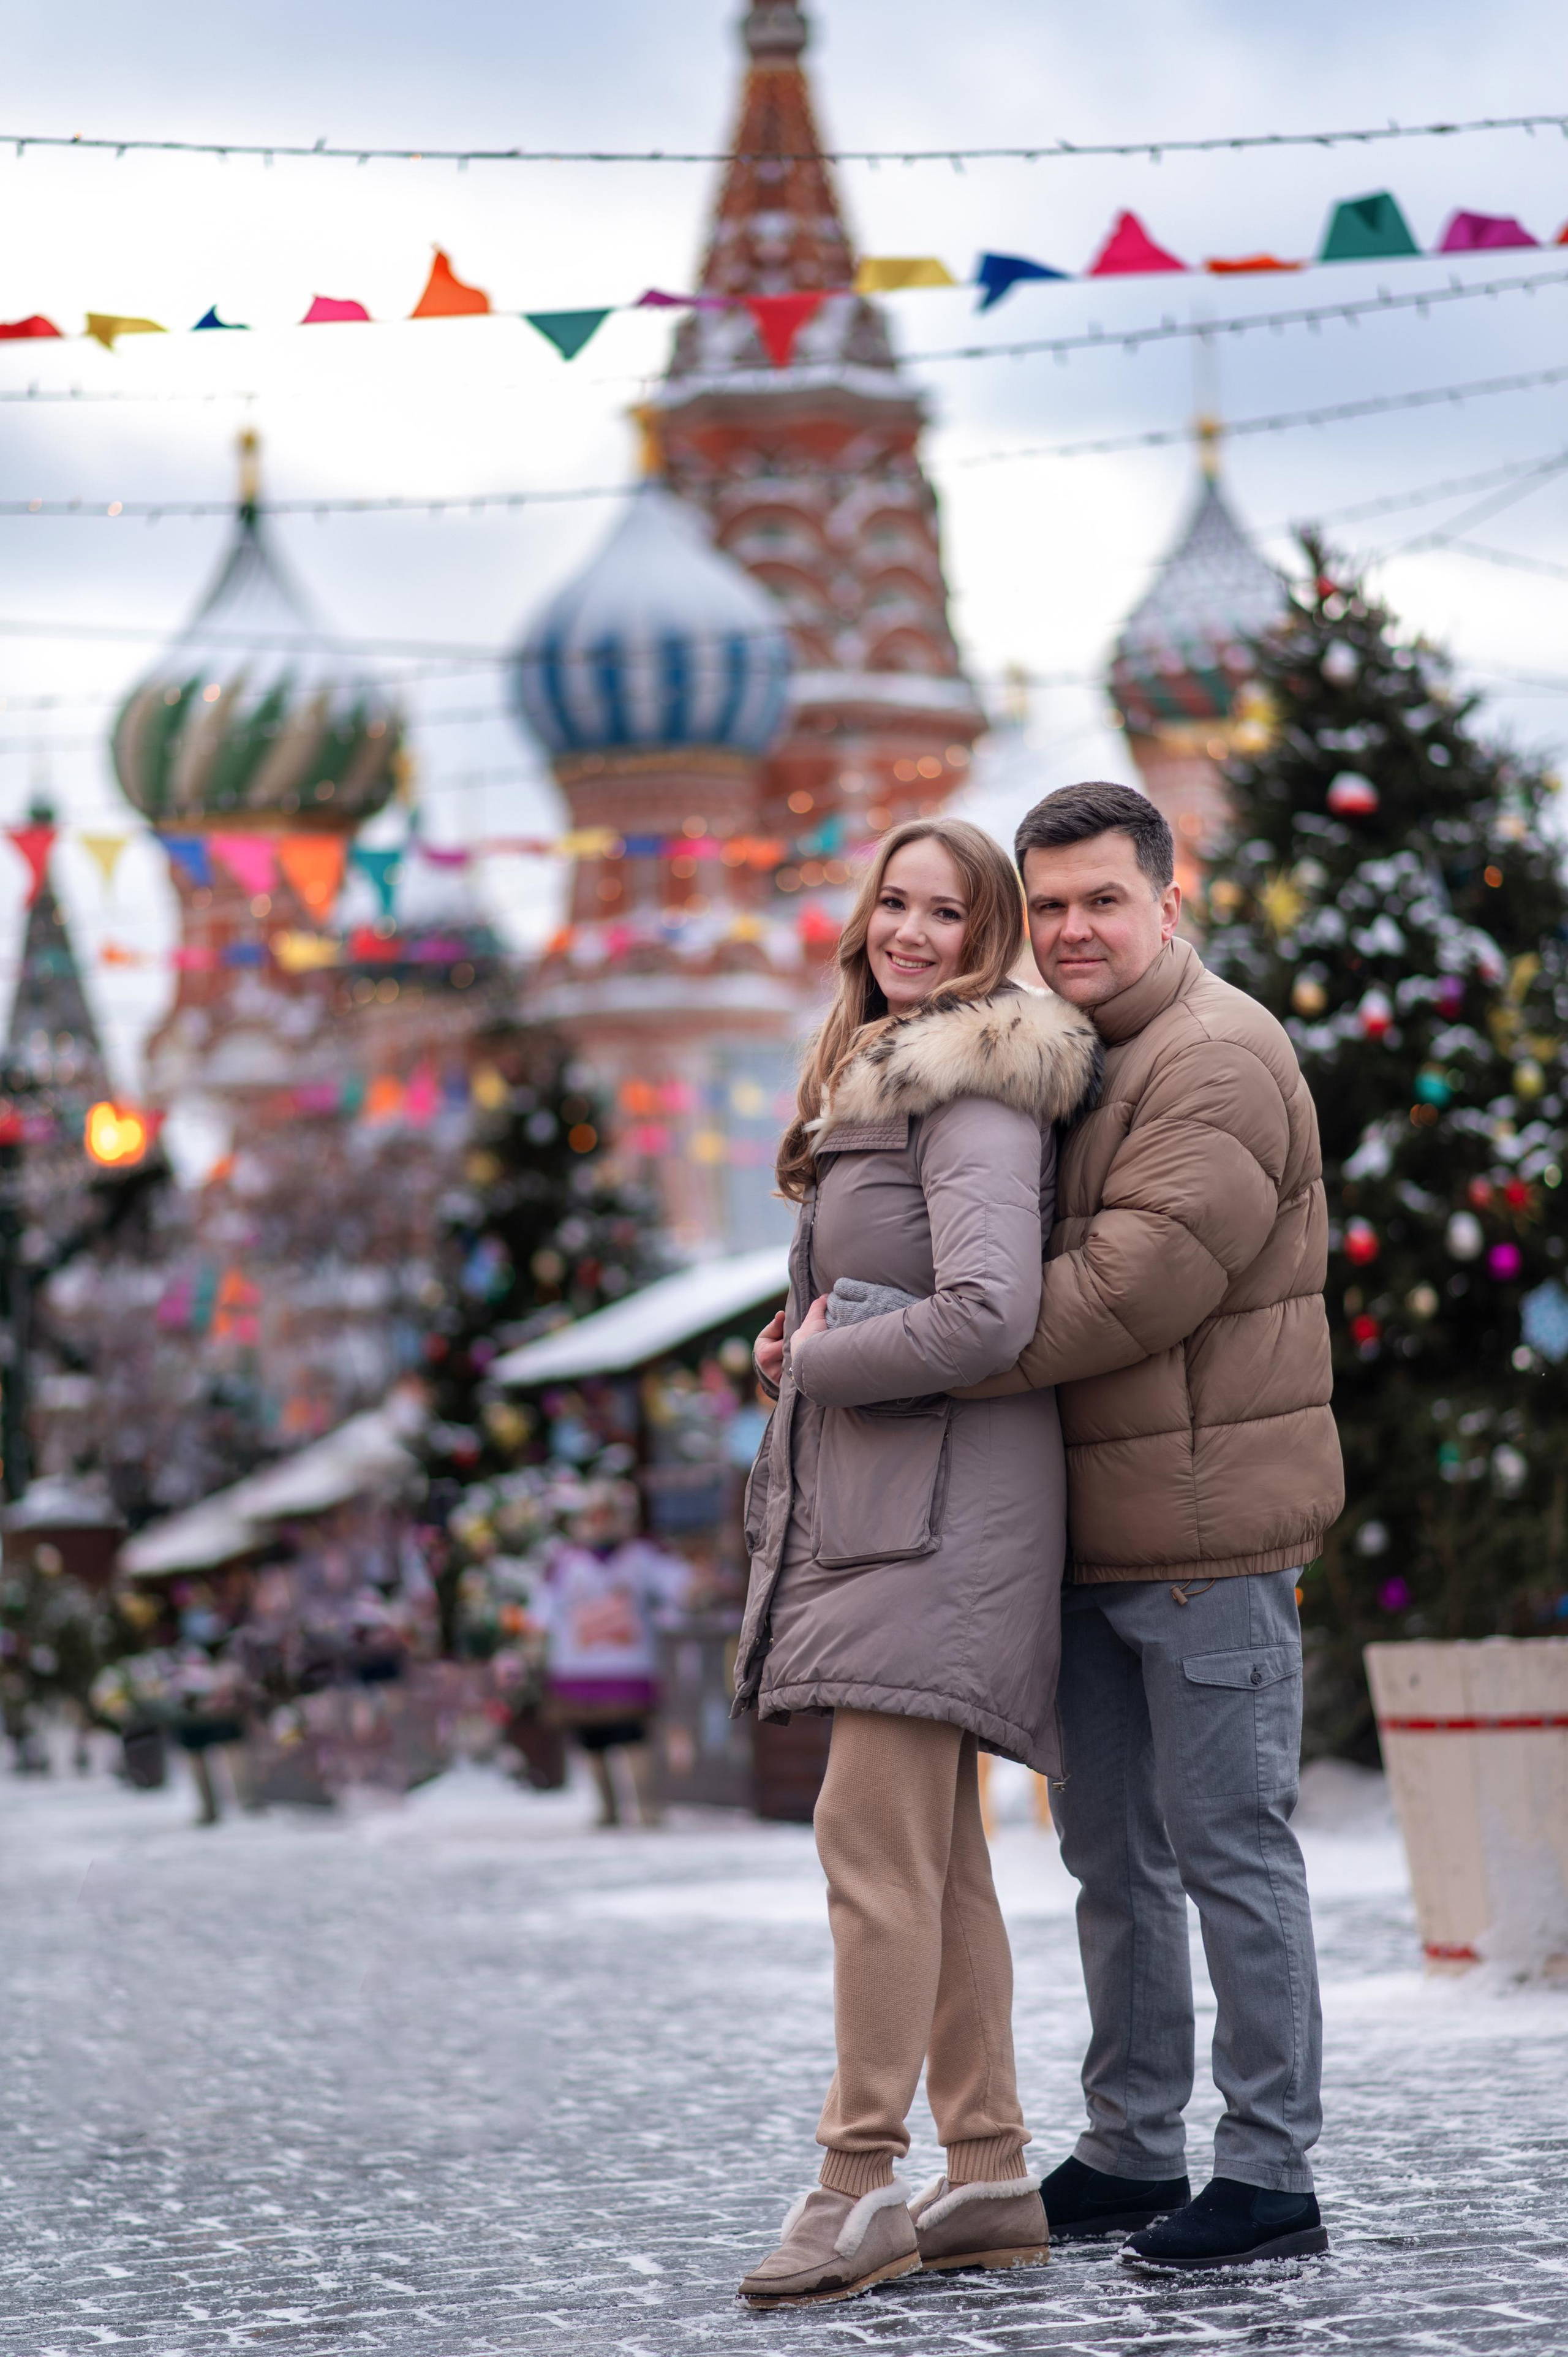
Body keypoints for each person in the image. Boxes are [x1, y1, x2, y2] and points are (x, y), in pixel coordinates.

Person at [959, 780, 1344, 2272]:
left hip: (1206, 1537)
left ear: (1164, 902)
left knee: (1230, 1847)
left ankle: (1268, 2168)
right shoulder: (1061, 1059)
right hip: (1085, 1533)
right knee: (1111, 1859)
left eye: (1099, 900)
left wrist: (927, 1341)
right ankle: (1130, 2144)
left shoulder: (1217, 1052)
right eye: (1045, 904)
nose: (1069, 930)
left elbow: (1132, 1283)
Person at [732, 817, 1099, 2309]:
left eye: (945, 912)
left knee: (865, 1847)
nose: (908, 930)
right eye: (893, 899)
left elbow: (988, 1314)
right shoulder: (876, 1083)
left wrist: (829, 1360)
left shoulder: (976, 1090)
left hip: (939, 1515)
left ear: (985, 934)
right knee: (931, 1858)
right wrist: (796, 1343)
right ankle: (993, 2165)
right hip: (898, 1501)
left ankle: (853, 2180)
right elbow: (885, 1306)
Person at [538, 1478, 692, 1827]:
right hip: (577, 1665)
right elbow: (544, 1608)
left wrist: (695, 1588)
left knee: (632, 1735)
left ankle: (646, 1807)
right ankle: (608, 1809)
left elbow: (678, 1586)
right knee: (592, 1739)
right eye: (592, 1515)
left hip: (629, 1664)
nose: (599, 1522)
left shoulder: (642, 1556)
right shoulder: (565, 1561)